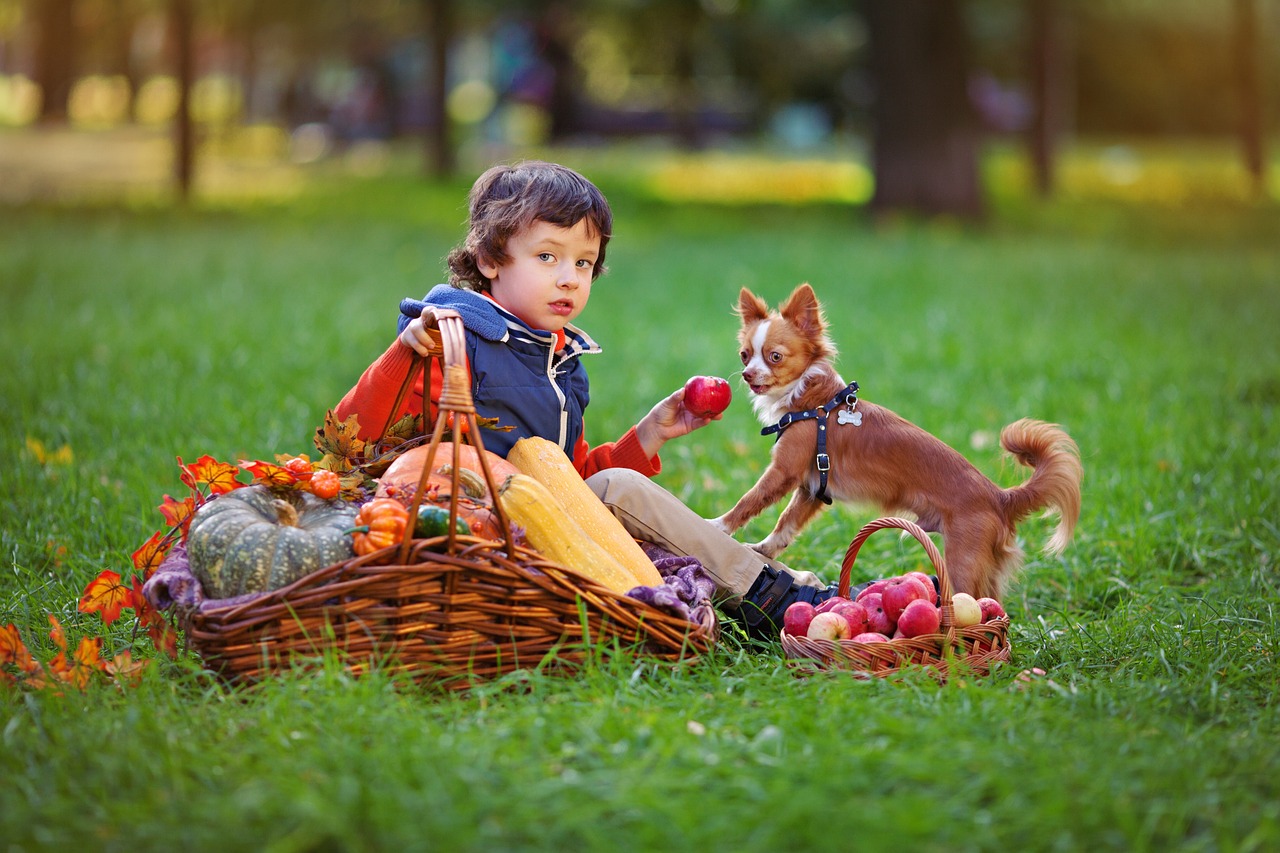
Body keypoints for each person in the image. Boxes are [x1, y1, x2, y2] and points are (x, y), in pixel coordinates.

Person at [334, 160, 833, 636]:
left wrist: (649, 435)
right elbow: (350, 443)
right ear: (488, 259)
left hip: (548, 530)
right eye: (547, 257)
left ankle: (772, 591)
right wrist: (404, 355)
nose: (569, 277)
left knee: (617, 486)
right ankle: (768, 595)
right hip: (465, 535)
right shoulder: (450, 340)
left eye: (584, 262)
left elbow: (573, 484)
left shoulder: (562, 363)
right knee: (620, 488)